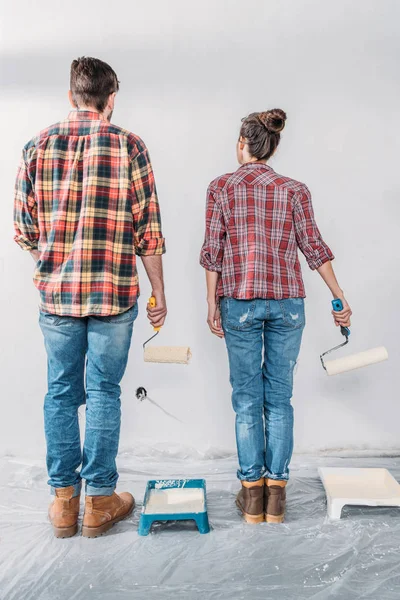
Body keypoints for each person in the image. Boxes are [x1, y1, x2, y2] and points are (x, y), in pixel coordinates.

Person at [13, 57, 167, 538]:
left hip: (57, 298)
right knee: (103, 392)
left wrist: (59, 257)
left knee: (61, 392)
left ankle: (63, 504)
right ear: (111, 98)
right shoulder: (129, 145)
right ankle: (100, 502)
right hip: (114, 294)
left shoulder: (36, 146)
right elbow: (149, 231)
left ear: (71, 95)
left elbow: (23, 230)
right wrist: (159, 291)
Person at [200, 109, 352, 524]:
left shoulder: (221, 188)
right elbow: (314, 247)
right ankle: (277, 498)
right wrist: (339, 296)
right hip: (288, 304)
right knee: (280, 397)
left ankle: (252, 497)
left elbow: (212, 253)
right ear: (274, 147)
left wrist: (212, 303)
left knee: (247, 398)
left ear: (242, 145)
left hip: (240, 302)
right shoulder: (295, 190)